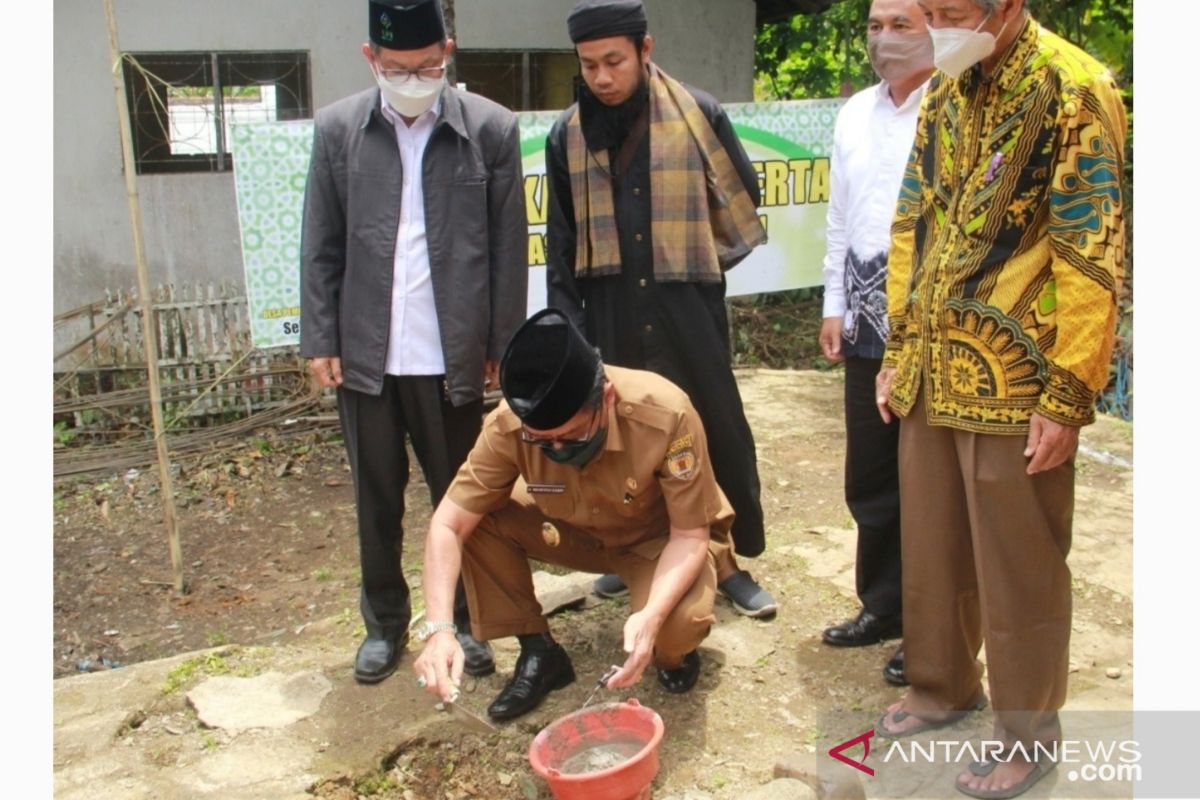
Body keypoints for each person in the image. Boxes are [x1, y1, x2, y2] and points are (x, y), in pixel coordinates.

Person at [874, 1, 1126, 798]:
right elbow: (914, 218)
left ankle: (1028, 734)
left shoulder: (1075, 87)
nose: (937, 24)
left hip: (1020, 377)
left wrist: (1069, 391)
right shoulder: (948, 87)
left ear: (1009, 4)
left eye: (953, 11)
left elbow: (1092, 244)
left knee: (1020, 569)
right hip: (934, 365)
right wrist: (899, 345)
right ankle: (942, 686)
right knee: (933, 545)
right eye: (931, 8)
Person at [300, 0, 527, 685]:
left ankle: (467, 621)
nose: (413, 80)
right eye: (398, 69)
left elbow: (509, 250)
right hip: (368, 354)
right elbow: (322, 244)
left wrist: (501, 342)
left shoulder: (490, 129)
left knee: (461, 498)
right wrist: (321, 337)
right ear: (372, 59)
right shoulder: (340, 130)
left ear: (448, 52)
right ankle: (385, 625)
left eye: (428, 67)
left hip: (450, 353)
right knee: (376, 497)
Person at [544, 0, 777, 618]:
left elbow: (739, 197)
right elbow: (561, 242)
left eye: (614, 61)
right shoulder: (565, 134)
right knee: (625, 442)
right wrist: (570, 332)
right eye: (589, 64)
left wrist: (693, 265)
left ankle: (728, 562)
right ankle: (636, 552)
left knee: (714, 427)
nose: (601, 77)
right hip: (610, 309)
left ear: (646, 52)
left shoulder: (698, 113)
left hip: (686, 307)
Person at [412, 308, 733, 720]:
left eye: (571, 435)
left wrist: (651, 618)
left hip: (657, 541)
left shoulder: (665, 413)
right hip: (572, 533)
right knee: (479, 518)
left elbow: (690, 535)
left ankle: (672, 656)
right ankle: (539, 650)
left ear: (608, 398)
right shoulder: (509, 425)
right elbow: (447, 524)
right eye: (542, 441)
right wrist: (439, 631)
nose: (558, 450)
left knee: (676, 627)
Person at [818, 0, 933, 688]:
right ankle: (883, 606)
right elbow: (840, 215)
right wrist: (834, 304)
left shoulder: (955, 105)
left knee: (929, 484)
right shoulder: (855, 112)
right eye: (874, 26)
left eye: (900, 25)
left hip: (931, 326)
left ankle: (931, 630)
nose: (883, 39)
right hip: (863, 317)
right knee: (872, 475)